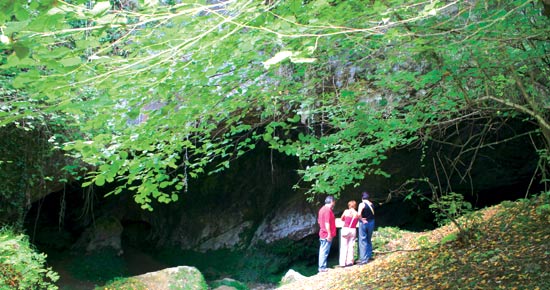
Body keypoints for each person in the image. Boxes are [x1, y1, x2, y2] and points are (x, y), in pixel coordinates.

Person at [318, 195, 336, 273]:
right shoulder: (327, 210)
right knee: (324, 251)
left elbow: (319, 221)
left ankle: (322, 267)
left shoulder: (321, 209)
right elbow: (327, 223)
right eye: (334, 201)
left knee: (323, 250)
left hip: (322, 233)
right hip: (326, 234)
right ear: (331, 201)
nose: (334, 203)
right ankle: (322, 267)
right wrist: (329, 234)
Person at [339, 200, 359, 267]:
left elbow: (342, 219)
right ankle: (350, 262)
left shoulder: (346, 211)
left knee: (344, 246)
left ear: (349, 205)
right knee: (351, 246)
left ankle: (342, 263)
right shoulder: (357, 213)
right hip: (353, 230)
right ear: (355, 206)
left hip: (345, 229)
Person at [357, 191, 375, 264]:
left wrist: (361, 219)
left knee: (362, 240)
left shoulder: (362, 204)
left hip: (364, 223)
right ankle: (369, 255)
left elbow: (358, 214)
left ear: (362, 198)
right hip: (371, 222)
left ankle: (364, 259)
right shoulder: (371, 204)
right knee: (368, 239)